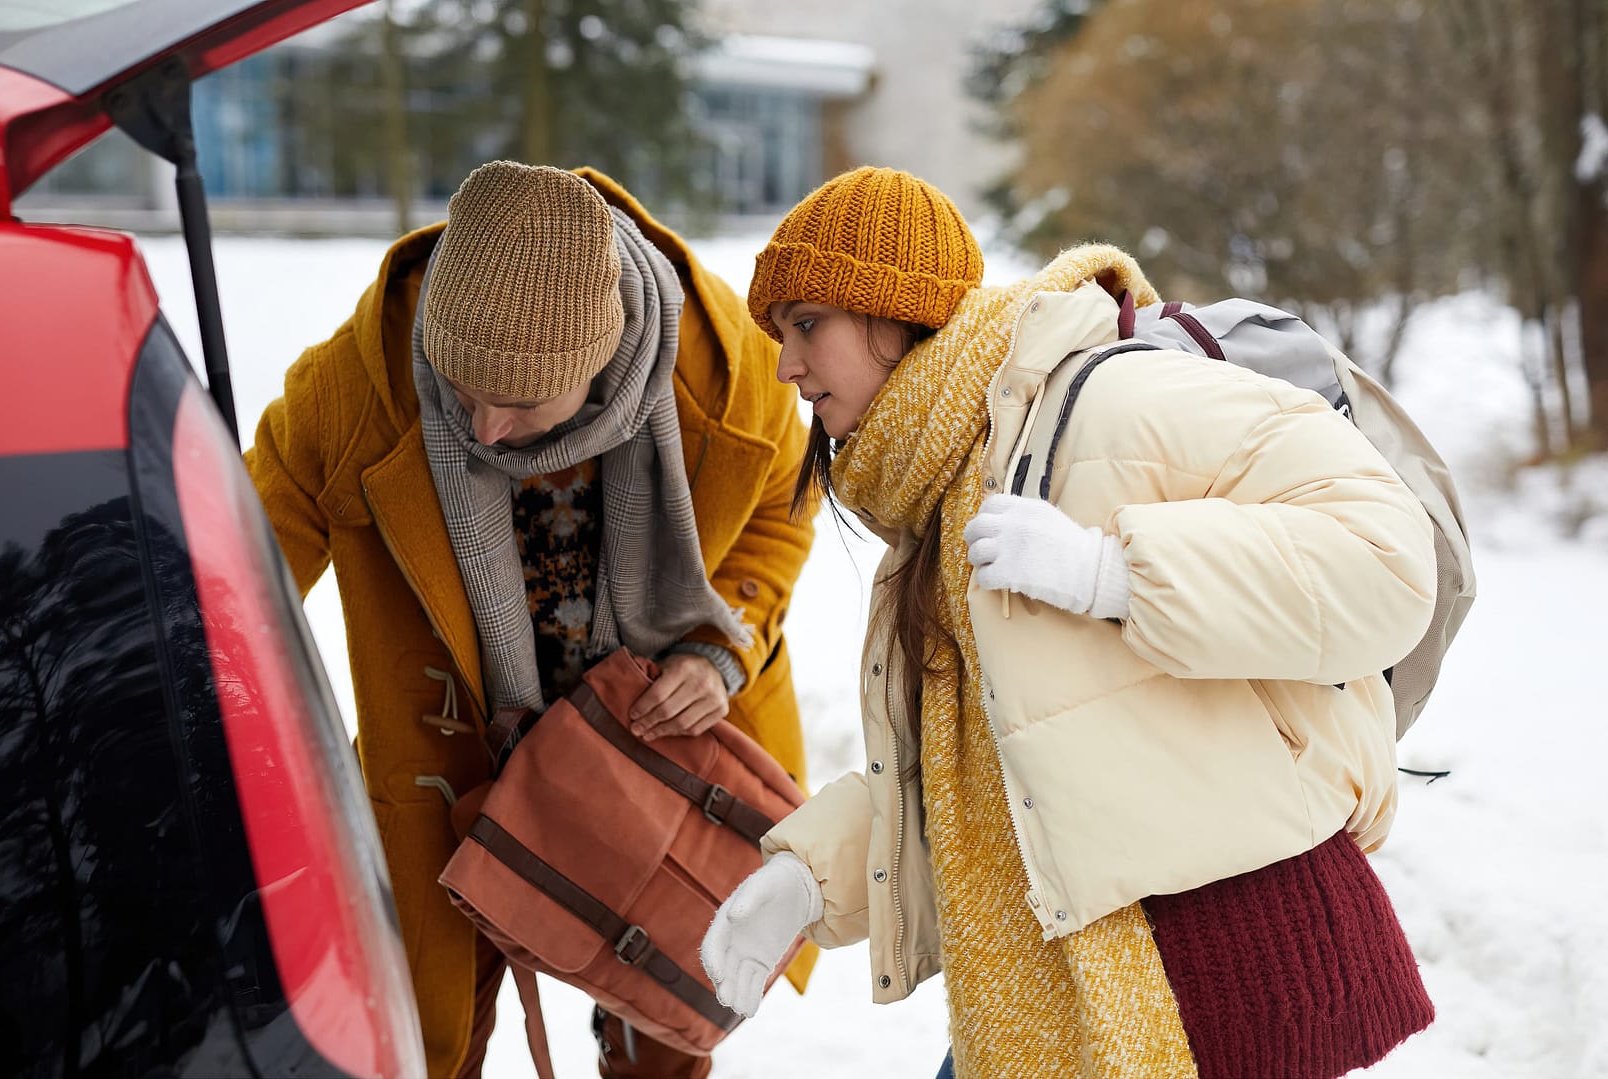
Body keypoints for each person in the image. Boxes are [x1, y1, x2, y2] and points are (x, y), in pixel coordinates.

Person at [699, 166, 1438, 1078]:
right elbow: (984, 775)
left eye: (806, 324)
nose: (785, 365)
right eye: (776, 334)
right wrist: (808, 878)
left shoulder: (1113, 402)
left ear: (893, 309)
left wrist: (1117, 574)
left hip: (1211, 979)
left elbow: (1389, 558)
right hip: (1042, 994)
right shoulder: (934, 493)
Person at [246, 161, 817, 1079]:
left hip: (655, 759)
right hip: (451, 772)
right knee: (427, 1035)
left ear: (604, 357)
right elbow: (232, 568)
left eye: (519, 401)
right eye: (462, 389)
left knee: (663, 1023)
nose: (485, 427)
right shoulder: (355, 391)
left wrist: (718, 646)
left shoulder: (727, 375)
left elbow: (781, 507)